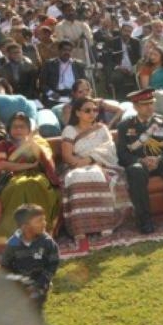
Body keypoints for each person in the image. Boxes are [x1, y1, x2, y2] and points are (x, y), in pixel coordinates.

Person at [116, 88, 163, 233]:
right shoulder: (125, 126)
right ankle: (144, 219)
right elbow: (122, 153)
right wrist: (141, 160)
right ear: (135, 106)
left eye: (151, 103)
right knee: (135, 170)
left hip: (161, 161)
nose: (149, 107)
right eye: (145, 104)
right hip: (140, 163)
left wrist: (159, 157)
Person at [59, 96, 128, 248]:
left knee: (97, 175)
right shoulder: (70, 130)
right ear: (77, 113)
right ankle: (80, 228)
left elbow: (109, 151)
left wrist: (90, 159)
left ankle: (105, 224)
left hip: (101, 164)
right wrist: (79, 164)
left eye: (95, 110)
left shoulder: (102, 129)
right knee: (76, 177)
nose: (92, 113)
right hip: (75, 166)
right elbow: (66, 155)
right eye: (87, 110)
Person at [0, 112, 60, 249]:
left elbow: (46, 163)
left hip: (37, 177)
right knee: (21, 185)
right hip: (11, 178)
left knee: (34, 184)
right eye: (15, 127)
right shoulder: (1, 146)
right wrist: (28, 165)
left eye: (22, 127)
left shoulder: (39, 143)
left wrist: (31, 145)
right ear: (9, 129)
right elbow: (2, 165)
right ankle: (14, 237)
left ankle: (40, 234)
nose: (18, 130)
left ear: (29, 129)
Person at [0, 204, 59, 309]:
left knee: (36, 307)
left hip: (40, 284)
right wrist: (16, 283)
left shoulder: (48, 242)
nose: (44, 223)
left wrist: (40, 283)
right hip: (19, 286)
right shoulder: (13, 243)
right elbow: (5, 266)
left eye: (44, 219)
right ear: (25, 226)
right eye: (39, 221)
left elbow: (52, 265)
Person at [38, 40, 87, 108]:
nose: (67, 52)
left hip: (73, 95)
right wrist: (51, 93)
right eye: (64, 50)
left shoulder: (78, 65)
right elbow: (42, 84)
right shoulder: (49, 64)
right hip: (55, 96)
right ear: (59, 51)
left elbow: (85, 82)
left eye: (69, 50)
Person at [60, 79, 126, 129]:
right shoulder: (69, 108)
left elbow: (120, 110)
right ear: (74, 94)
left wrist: (110, 124)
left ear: (91, 91)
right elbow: (69, 127)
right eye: (80, 92)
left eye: (87, 90)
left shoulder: (98, 103)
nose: (85, 94)